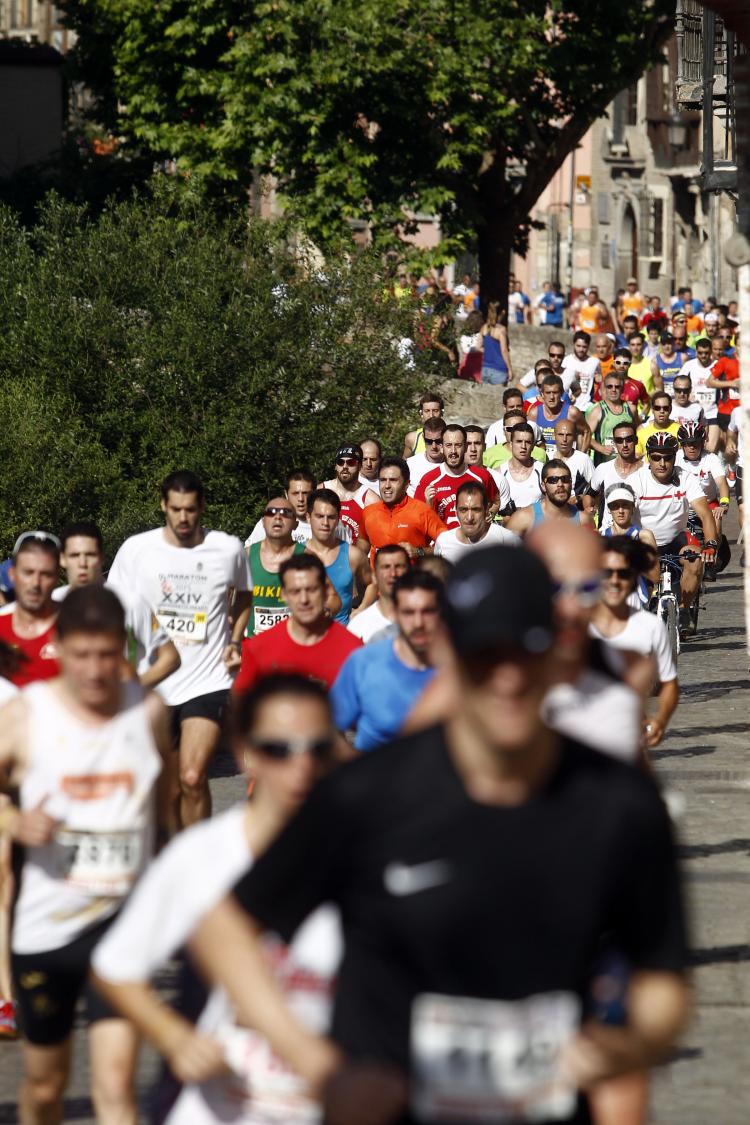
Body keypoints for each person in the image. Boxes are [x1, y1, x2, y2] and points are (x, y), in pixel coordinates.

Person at [191, 544, 689, 1125]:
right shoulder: (368, 795)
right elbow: (222, 926)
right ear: (451, 653)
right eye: (484, 656)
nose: (506, 678)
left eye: (526, 652)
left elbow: (664, 985)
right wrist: (321, 1066)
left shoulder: (618, 803)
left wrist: (626, 1047)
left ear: (558, 651)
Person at [91, 674, 341, 1125]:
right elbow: (114, 967)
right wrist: (174, 1038)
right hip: (217, 1109)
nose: (300, 767)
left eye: (317, 750)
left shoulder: (365, 860)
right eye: (278, 750)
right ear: (247, 751)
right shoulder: (201, 857)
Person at [0, 586, 171, 1125]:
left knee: (116, 1087)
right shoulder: (28, 715)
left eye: (107, 654)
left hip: (122, 927)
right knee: (47, 1086)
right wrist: (12, 821)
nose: (96, 671)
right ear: (58, 647)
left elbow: (161, 812)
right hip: (45, 929)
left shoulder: (149, 712)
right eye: (81, 655)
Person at [108, 470, 251, 827]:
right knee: (168, 789)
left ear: (201, 506)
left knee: (191, 776)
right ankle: (172, 855)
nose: (183, 518)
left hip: (208, 680)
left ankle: (196, 854)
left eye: (190, 509)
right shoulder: (137, 550)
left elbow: (244, 596)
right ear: (163, 506)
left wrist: (234, 639)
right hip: (155, 682)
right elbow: (113, 608)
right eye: (175, 509)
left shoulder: (227, 548)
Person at [55, 520, 180, 688]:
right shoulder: (54, 601)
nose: (82, 563)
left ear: (102, 558)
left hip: (122, 709)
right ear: (62, 559)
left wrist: (131, 692)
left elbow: (170, 657)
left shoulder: (131, 601)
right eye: (75, 555)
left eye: (90, 555)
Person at [331, 570, 442, 751]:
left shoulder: (463, 666)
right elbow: (330, 727)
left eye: (427, 611)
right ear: (396, 613)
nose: (418, 622)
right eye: (408, 612)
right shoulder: (364, 663)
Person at [590, 536, 678, 751]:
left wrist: (661, 720)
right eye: (606, 573)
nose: (614, 580)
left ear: (635, 577)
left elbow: (669, 684)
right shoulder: (577, 625)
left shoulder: (651, 627)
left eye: (623, 573)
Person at [233, 554, 362, 694]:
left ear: (325, 591)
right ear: (284, 595)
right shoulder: (257, 649)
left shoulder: (353, 650)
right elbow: (240, 707)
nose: (304, 599)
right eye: (295, 591)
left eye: (311, 590)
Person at [631, 432, 718, 635]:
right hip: (645, 542)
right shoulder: (637, 480)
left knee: (696, 560)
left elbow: (705, 515)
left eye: (667, 457)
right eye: (656, 457)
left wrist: (712, 544)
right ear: (648, 457)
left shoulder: (686, 478)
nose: (662, 463)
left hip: (676, 539)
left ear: (674, 457)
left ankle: (683, 610)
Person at [0, 531, 61, 686]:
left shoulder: (80, 626)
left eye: (46, 574)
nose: (35, 583)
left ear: (56, 578)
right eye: (28, 572)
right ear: (12, 574)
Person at [359, 457, 448, 562]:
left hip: (413, 577)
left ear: (406, 484)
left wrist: (418, 552)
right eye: (383, 480)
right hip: (379, 578)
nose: (387, 486)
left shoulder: (422, 511)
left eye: (393, 480)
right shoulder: (368, 512)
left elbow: (448, 546)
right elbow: (362, 545)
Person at [305, 489, 373, 625]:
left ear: (337, 519)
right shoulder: (297, 554)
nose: (325, 523)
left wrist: (361, 609)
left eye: (331, 517)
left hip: (342, 636)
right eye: (319, 516)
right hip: (305, 636)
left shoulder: (352, 555)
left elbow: (373, 584)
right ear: (308, 517)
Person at [414, 424, 503, 528]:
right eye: (448, 445)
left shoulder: (482, 476)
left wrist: (490, 514)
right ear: (442, 448)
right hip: (442, 542)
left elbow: (496, 501)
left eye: (458, 445)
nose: (453, 451)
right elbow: (417, 518)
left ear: (465, 447)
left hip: (474, 543)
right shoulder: (429, 480)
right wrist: (429, 504)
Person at [246, 497, 306, 637]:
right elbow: (228, 598)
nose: (278, 517)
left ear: (296, 524)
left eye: (285, 513)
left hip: (293, 647)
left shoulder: (308, 558)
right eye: (271, 512)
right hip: (254, 646)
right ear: (262, 521)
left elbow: (332, 600)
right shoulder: (246, 556)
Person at [246, 469, 338, 547]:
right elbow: (248, 556)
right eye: (295, 493)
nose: (301, 499)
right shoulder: (269, 523)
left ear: (314, 493)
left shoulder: (331, 524)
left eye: (305, 493)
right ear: (286, 494)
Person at [434, 482, 520, 563]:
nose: (469, 517)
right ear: (456, 510)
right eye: (463, 510)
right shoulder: (444, 542)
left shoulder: (507, 540)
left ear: (486, 510)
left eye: (476, 510)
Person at [506, 459, 595, 536]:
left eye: (565, 479)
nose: (560, 484)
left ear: (571, 483)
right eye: (553, 480)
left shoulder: (584, 520)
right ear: (543, 486)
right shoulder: (523, 518)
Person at [676, 422, 730, 542]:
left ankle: (714, 553)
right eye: (688, 444)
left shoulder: (711, 459)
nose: (692, 447)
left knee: (715, 526)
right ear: (682, 445)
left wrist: (724, 503)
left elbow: (722, 483)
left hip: (709, 503)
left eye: (695, 443)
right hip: (684, 506)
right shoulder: (675, 458)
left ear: (702, 442)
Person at [348, 545, 410, 643]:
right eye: (386, 567)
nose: (393, 573)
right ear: (374, 576)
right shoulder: (358, 626)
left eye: (399, 566)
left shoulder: (426, 621)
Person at [323, 444, 379, 542]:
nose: (345, 466)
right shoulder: (321, 491)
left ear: (360, 466)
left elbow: (378, 538)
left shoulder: (370, 500)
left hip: (355, 555)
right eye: (340, 462)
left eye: (351, 462)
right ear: (336, 466)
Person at [585, 372, 638, 465]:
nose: (613, 390)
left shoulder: (631, 409)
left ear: (622, 389)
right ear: (605, 389)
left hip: (628, 464)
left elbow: (639, 431)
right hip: (605, 463)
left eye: (617, 387)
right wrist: (601, 448)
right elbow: (585, 436)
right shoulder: (597, 410)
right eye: (610, 386)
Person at [676, 341, 719, 450]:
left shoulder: (717, 365)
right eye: (700, 353)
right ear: (696, 352)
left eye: (706, 352)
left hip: (712, 412)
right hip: (694, 413)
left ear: (711, 351)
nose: (703, 355)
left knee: (710, 449)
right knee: (693, 448)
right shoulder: (689, 365)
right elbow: (678, 383)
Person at [532, 374, 589, 455]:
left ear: (562, 393)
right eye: (548, 393)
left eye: (555, 392)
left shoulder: (572, 412)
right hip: (542, 462)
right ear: (542, 394)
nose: (551, 397)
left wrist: (581, 457)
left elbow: (586, 432)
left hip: (566, 462)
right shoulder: (534, 414)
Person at [496, 423, 545, 509]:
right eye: (519, 441)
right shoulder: (499, 473)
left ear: (533, 446)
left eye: (528, 442)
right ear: (511, 444)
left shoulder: (543, 470)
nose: (523, 446)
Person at [553, 418, 596, 512]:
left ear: (575, 437)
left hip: (576, 514)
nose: (564, 439)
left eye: (568, 435)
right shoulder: (547, 458)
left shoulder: (583, 459)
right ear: (554, 436)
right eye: (561, 435)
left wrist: (579, 498)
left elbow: (596, 490)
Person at [406, 417, 446, 495]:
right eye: (429, 441)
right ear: (423, 437)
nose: (434, 446)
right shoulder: (410, 465)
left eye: (438, 441)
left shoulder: (455, 465)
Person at [561, 330, 601, 408]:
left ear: (588, 346)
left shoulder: (594, 362)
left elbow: (599, 381)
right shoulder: (566, 360)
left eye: (584, 347)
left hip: (586, 406)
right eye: (578, 346)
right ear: (574, 344)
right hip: (567, 405)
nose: (581, 349)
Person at [635, 392, 680, 457]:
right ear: (652, 410)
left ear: (670, 409)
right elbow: (637, 456)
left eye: (665, 408)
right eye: (657, 408)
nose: (661, 411)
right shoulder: (641, 431)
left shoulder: (680, 430)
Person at [402, 392, 445, 457]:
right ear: (421, 413)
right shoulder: (412, 438)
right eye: (427, 411)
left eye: (435, 411)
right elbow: (404, 464)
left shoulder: (451, 436)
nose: (431, 415)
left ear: (441, 413)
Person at [479, 301, 512, 384]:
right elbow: (504, 350)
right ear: (502, 313)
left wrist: (489, 351)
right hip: (499, 369)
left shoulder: (484, 327)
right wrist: (510, 369)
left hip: (485, 369)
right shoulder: (501, 330)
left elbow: (478, 347)